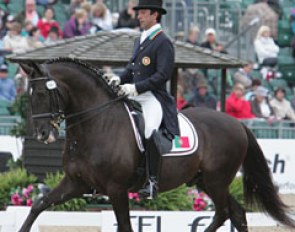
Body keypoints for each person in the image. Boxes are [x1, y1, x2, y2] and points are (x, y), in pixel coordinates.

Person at [105, 0, 179, 199]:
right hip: (133, 94)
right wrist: (118, 79)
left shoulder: (163, 42)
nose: (139, 16)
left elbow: (163, 75)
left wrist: (136, 87)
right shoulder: (140, 39)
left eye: (143, 13)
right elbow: (131, 69)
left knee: (149, 130)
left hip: (152, 98)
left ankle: (152, 181)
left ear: (155, 15)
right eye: (139, 13)